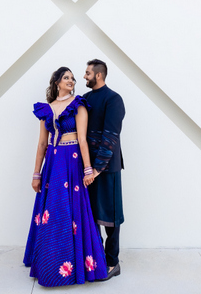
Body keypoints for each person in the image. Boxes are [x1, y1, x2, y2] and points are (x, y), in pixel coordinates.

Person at [23, 67, 108, 286]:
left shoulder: (78, 106)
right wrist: (36, 174)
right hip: (52, 164)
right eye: (66, 78)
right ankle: (48, 262)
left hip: (71, 163)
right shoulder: (46, 109)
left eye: (72, 78)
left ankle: (71, 267)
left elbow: (82, 139)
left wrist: (88, 169)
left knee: (70, 211)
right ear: (56, 82)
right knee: (52, 211)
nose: (71, 81)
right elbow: (42, 143)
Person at [83, 59, 125, 281]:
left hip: (107, 169)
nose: (84, 76)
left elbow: (110, 137)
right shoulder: (86, 99)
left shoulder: (113, 99)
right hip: (88, 168)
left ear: (98, 75)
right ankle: (96, 258)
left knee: (111, 216)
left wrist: (96, 169)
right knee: (91, 214)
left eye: (87, 73)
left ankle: (112, 262)